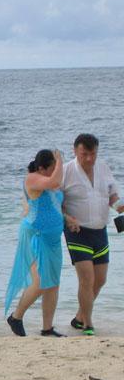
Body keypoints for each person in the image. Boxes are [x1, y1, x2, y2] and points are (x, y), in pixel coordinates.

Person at [61, 133, 124, 336]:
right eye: (84, 154)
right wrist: (67, 218)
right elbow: (55, 203)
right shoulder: (65, 171)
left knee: (101, 279)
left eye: (93, 154)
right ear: (75, 151)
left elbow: (112, 196)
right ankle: (88, 324)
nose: (89, 159)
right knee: (86, 279)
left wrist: (120, 206)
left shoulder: (103, 167)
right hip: (77, 232)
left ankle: (79, 317)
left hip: (100, 231)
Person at [4, 150, 65, 337]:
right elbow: (54, 182)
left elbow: (54, 204)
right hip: (37, 236)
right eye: (52, 168)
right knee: (40, 282)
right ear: (41, 168)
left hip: (53, 239)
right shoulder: (32, 179)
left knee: (53, 283)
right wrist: (60, 160)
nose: (55, 171)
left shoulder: (47, 180)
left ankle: (47, 328)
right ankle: (16, 317)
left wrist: (68, 219)